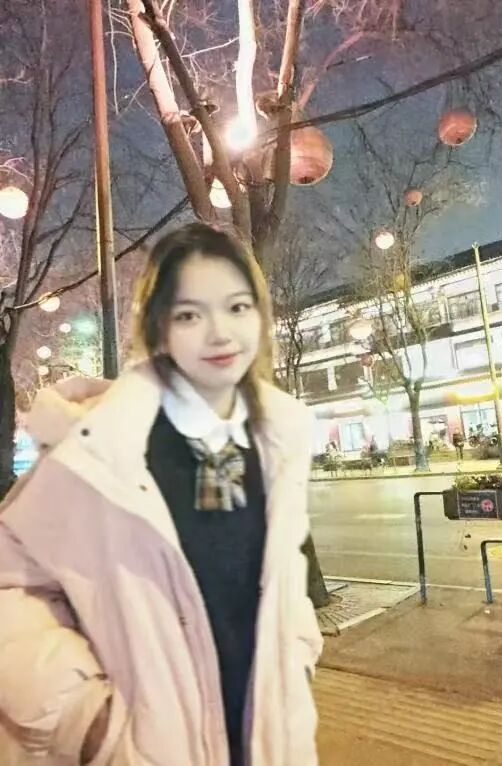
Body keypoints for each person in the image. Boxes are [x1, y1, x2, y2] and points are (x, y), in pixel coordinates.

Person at [0, 223, 322, 766]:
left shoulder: (270, 445)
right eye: (190, 314)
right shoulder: (96, 448)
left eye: (237, 307)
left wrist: (297, 657)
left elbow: (279, 581)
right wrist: (84, 718)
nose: (219, 334)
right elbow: (9, 585)